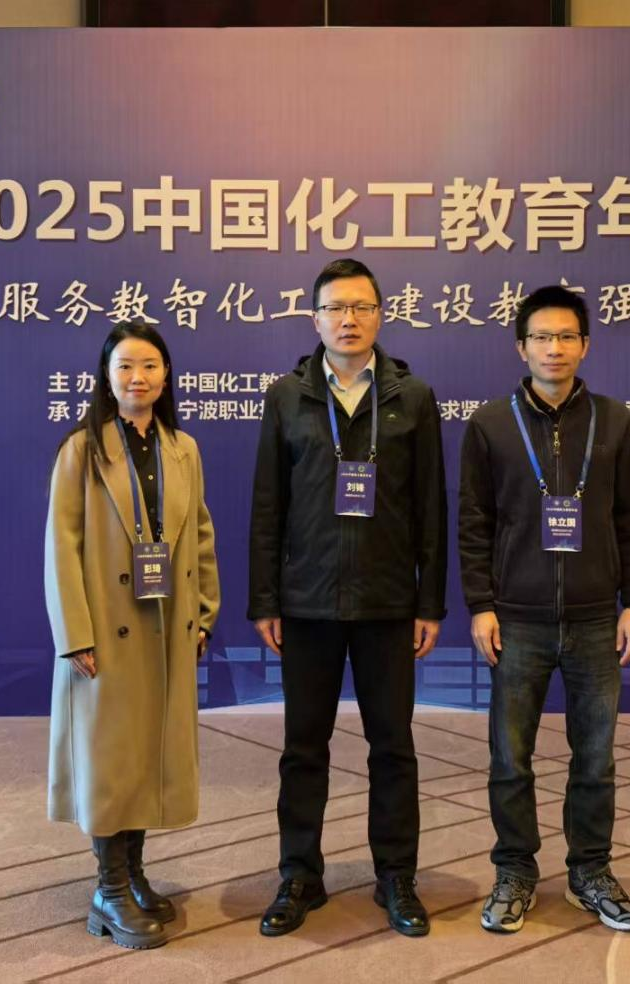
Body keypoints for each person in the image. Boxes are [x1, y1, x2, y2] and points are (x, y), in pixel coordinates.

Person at [248, 258, 447, 938]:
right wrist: (265, 599)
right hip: (306, 604)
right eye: (335, 308)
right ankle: (299, 875)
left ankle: (396, 875)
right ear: (315, 319)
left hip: (388, 605)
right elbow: (267, 507)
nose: (348, 319)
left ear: (381, 315)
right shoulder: (287, 397)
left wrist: (429, 603)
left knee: (393, 747)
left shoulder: (412, 397)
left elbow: (430, 507)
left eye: (361, 307)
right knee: (303, 747)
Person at [458, 285, 630, 935]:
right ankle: (515, 871)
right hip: (517, 619)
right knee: (510, 759)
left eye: (567, 336)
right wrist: (481, 605)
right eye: (542, 337)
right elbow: (474, 524)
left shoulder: (614, 422)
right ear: (522, 347)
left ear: (585, 345)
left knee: (594, 758)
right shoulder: (490, 424)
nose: (554, 348)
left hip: (597, 619)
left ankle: (590, 871)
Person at [44, 321, 219, 950]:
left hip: (165, 624)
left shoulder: (183, 448)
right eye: (124, 366)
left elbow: (200, 534)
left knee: (146, 753)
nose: (137, 377)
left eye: (148, 365)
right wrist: (75, 635)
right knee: (110, 759)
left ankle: (135, 874)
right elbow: (61, 547)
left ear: (166, 376)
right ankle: (108, 888)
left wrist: (203, 614)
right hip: (104, 632)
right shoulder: (81, 449)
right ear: (106, 376)